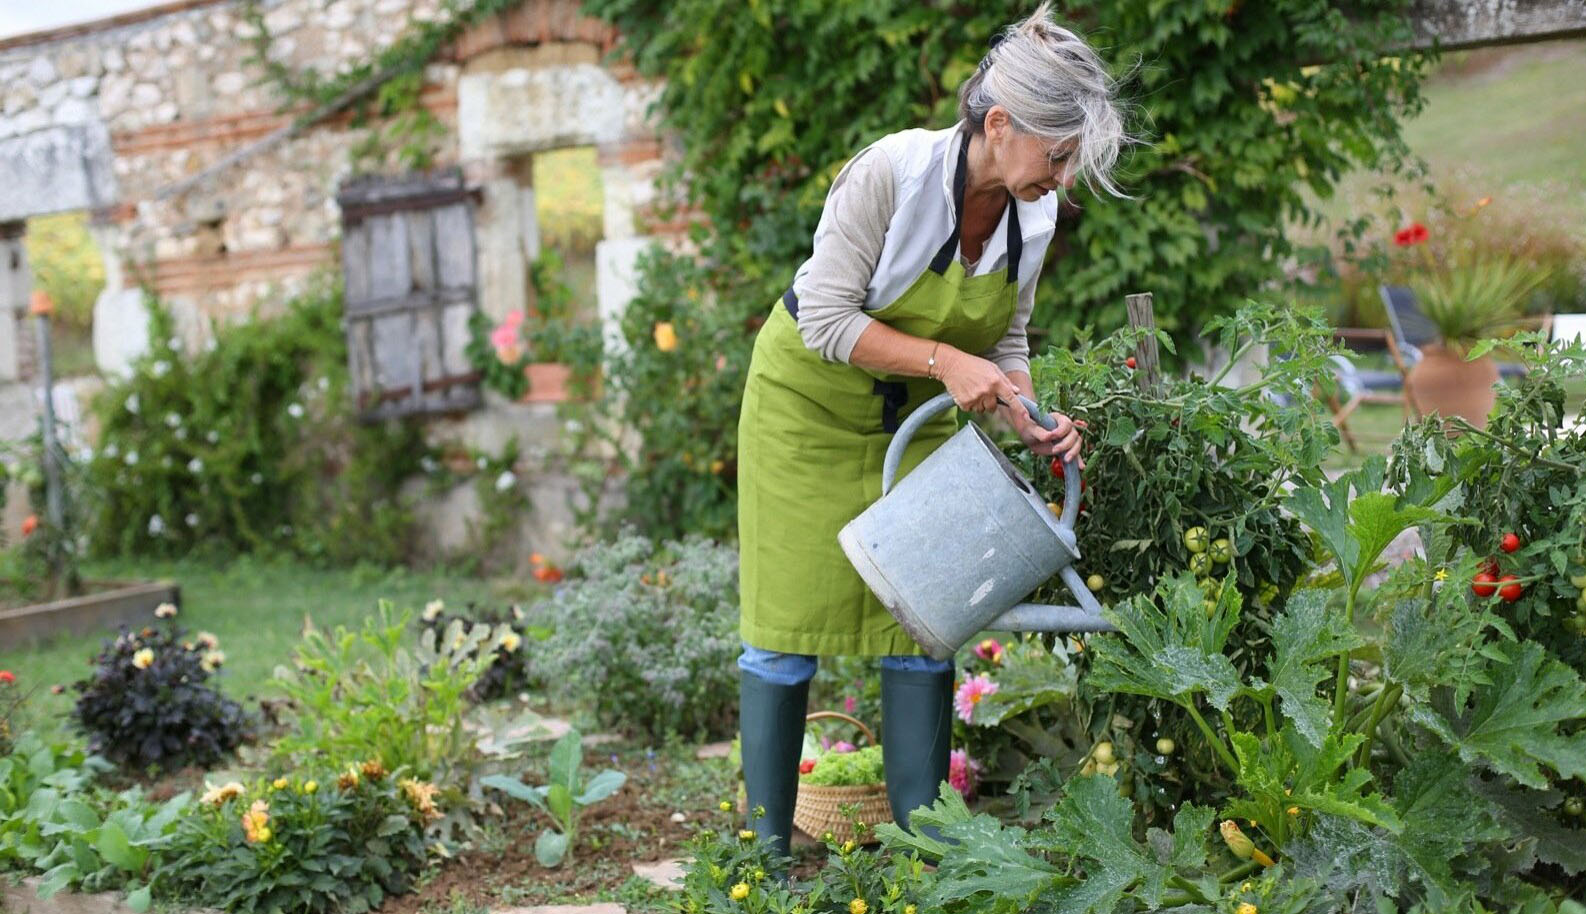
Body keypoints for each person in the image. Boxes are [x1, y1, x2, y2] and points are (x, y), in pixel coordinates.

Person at [735, 3, 1129, 856]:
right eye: (1057, 155)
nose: (1062, 178)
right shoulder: (891, 175)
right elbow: (827, 319)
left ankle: (923, 852)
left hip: (907, 424)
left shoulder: (1035, 215)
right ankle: (763, 858)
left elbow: (1010, 337)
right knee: (783, 632)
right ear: (1000, 123)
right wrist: (948, 362)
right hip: (805, 413)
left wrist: (1028, 415)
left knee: (925, 617)